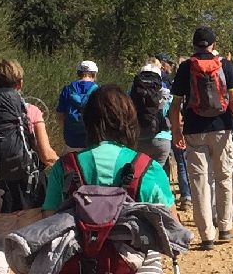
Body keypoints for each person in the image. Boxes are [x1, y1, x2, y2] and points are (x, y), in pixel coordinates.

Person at [39, 85, 176, 271]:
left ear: (88, 122)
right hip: (134, 263)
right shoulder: (148, 168)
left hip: (78, 262)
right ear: (130, 122)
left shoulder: (64, 167)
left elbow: (49, 218)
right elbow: (171, 226)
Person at [0, 59, 58, 274]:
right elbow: (46, 154)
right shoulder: (32, 111)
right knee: (32, 245)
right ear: (20, 83)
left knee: (0, 243)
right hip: (31, 191)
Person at [169, 25, 233, 248]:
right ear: (214, 45)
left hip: (194, 130)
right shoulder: (225, 65)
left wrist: (176, 131)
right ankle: (225, 228)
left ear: (194, 45)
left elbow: (175, 106)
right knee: (223, 177)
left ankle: (206, 236)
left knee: (200, 182)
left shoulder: (186, 67)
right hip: (222, 128)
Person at [129, 60, 176, 183]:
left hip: (138, 141)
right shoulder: (167, 95)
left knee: (140, 175)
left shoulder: (132, 94)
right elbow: (173, 116)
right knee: (157, 175)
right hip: (161, 140)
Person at [57, 61, 101, 153]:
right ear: (94, 74)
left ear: (78, 73)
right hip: (91, 140)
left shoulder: (68, 89)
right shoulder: (98, 91)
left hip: (71, 140)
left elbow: (60, 116)